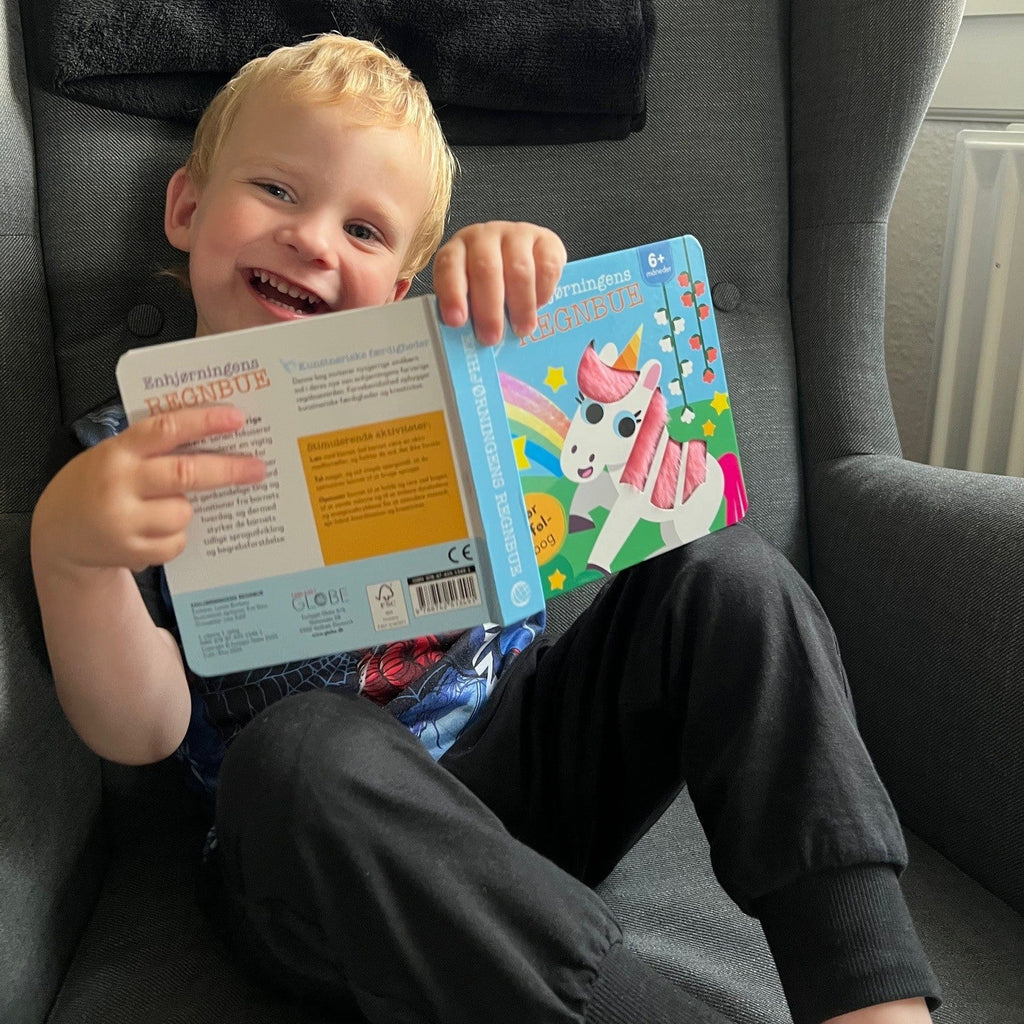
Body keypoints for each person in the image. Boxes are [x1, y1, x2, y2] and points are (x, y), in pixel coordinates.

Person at [30, 32, 941, 1024]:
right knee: (293, 751)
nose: (314, 240)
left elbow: (551, 381)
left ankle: (871, 1000)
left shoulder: (440, 375)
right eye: (277, 191)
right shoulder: (126, 461)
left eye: (365, 231)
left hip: (525, 776)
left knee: (729, 572)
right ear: (187, 208)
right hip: (330, 859)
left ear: (396, 291)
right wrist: (73, 558)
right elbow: (144, 730)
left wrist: (507, 289)